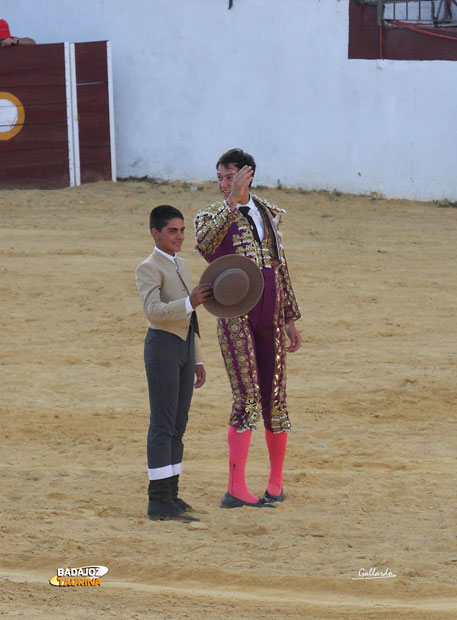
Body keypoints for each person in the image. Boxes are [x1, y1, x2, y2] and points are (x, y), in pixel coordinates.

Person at [194, 148, 302, 509]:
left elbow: (279, 264)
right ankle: (235, 487)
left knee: (275, 396)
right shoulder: (211, 215)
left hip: (270, 310)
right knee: (247, 395)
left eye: (231, 177)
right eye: (221, 178)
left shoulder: (268, 212)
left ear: (248, 175)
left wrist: (289, 316)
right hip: (236, 313)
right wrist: (229, 206)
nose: (225, 184)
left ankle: (275, 484)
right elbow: (206, 247)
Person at [136, 205, 213, 521]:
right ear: (156, 233)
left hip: (182, 348)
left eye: (182, 230)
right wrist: (189, 301)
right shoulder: (148, 267)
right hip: (162, 347)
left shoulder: (180, 263)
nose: (179, 236)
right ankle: (157, 500)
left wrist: (197, 358)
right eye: (172, 230)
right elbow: (153, 311)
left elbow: (191, 317)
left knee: (178, 425)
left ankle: (171, 493)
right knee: (163, 423)